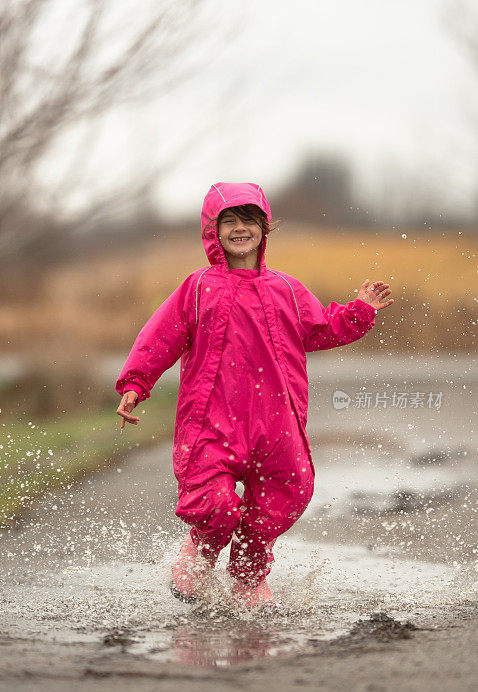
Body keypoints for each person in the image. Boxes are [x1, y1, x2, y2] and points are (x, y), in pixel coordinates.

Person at [115, 182, 394, 609]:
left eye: (249, 221)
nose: (240, 229)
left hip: (276, 421)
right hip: (212, 418)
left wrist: (359, 310)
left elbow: (321, 330)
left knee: (289, 490)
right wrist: (136, 384)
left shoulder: (287, 289)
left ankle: (248, 571)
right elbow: (160, 339)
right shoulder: (196, 288)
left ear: (265, 229)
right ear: (213, 231)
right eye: (229, 221)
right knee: (215, 503)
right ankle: (201, 551)